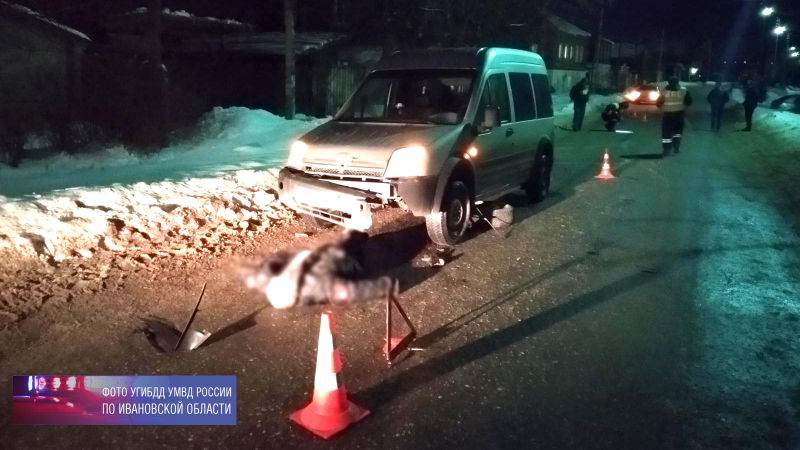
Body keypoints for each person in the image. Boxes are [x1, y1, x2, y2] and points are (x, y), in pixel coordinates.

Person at [656, 76, 692, 156]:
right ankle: (676, 147)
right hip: (679, 115)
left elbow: (658, 104)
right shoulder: (683, 91)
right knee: (677, 133)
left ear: (669, 82)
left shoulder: (664, 91)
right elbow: (689, 102)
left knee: (666, 133)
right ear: (677, 82)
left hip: (667, 116)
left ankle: (666, 150)